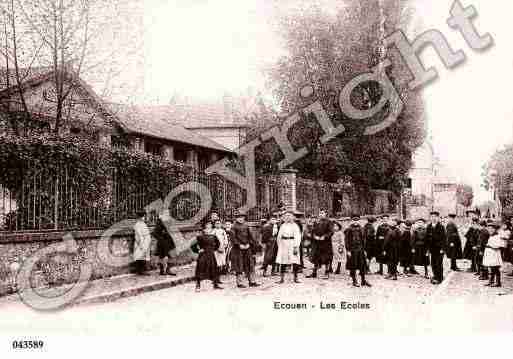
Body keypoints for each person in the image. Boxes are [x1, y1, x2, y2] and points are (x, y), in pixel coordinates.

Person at [230, 211, 260, 288]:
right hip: (238, 249)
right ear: (236, 218)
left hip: (247, 248)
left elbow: (251, 236)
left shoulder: (246, 226)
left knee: (250, 264)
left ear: (244, 217)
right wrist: (239, 245)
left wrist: (249, 244)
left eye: (242, 217)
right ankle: (239, 283)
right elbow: (233, 238)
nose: (240, 219)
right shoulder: (233, 227)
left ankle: (252, 281)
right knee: (239, 265)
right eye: (238, 217)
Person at [191, 222, 223, 291]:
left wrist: (214, 249)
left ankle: (215, 284)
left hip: (211, 255)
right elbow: (192, 245)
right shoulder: (200, 237)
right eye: (207, 228)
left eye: (210, 228)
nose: (208, 229)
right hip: (203, 256)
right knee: (200, 269)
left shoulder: (214, 236)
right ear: (204, 229)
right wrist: (198, 250)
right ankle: (198, 285)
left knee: (214, 269)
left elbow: (218, 244)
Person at [275, 210, 302, 284]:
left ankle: (296, 277)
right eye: (286, 216)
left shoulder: (295, 226)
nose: (288, 217)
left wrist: (296, 246)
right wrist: (280, 245)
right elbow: (279, 236)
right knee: (283, 260)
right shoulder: (282, 225)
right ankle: (282, 278)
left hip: (292, 243)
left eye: (289, 215)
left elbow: (298, 237)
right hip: (284, 244)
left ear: (293, 217)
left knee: (295, 260)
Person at [344, 215, 371, 287]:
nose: (355, 222)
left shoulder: (361, 229)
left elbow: (363, 240)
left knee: (362, 265)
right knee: (353, 265)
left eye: (357, 220)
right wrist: (348, 250)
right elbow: (346, 241)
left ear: (359, 221)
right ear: (352, 221)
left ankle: (363, 280)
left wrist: (364, 249)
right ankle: (354, 280)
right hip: (352, 250)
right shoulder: (349, 229)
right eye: (354, 220)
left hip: (360, 249)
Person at [306, 209, 333, 279]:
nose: (321, 214)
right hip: (317, 243)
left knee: (326, 258)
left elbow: (331, 232)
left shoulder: (329, 222)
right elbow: (312, 231)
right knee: (316, 257)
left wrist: (324, 237)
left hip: (325, 243)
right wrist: (314, 236)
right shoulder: (316, 222)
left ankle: (327, 272)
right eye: (320, 213)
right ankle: (314, 272)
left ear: (326, 214)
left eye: (322, 213)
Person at [153, 210, 177, 276]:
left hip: (169, 241)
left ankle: (168, 270)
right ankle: (162, 270)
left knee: (169, 256)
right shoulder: (160, 222)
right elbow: (155, 233)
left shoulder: (169, 221)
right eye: (166, 213)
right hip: (163, 242)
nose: (168, 214)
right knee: (162, 256)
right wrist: (162, 238)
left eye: (168, 213)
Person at [427, 211, 447, 285]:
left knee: (439, 263)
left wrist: (443, 249)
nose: (433, 218)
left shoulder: (441, 227)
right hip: (432, 249)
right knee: (433, 263)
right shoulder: (429, 226)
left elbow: (444, 239)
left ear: (438, 218)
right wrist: (427, 249)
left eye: (435, 217)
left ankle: (439, 278)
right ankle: (435, 276)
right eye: (432, 217)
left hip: (439, 249)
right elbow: (427, 239)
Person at [482, 222, 505, 287]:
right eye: (489, 229)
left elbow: (499, 245)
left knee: (495, 268)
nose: (490, 230)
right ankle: (491, 281)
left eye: (492, 229)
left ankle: (498, 282)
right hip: (490, 254)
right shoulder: (491, 236)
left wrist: (490, 245)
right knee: (491, 268)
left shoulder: (497, 236)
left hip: (494, 254)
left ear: (495, 229)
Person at [133, 210, 152, 276]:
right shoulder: (138, 225)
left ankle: (143, 270)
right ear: (140, 217)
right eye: (143, 216)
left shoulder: (143, 224)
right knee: (140, 256)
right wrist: (141, 244)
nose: (144, 218)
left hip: (145, 242)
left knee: (144, 256)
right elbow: (139, 235)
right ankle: (141, 271)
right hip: (141, 243)